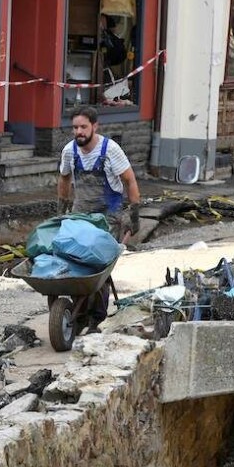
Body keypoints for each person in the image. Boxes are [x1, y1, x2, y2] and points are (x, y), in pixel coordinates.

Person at [57, 106, 141, 331]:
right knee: (75, 260)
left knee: (98, 262)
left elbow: (130, 180)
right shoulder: (69, 151)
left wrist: (134, 214)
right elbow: (64, 179)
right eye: (75, 127)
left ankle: (97, 316)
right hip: (81, 211)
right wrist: (61, 210)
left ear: (95, 126)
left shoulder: (110, 149)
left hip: (108, 214)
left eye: (83, 127)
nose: (79, 132)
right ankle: (79, 314)